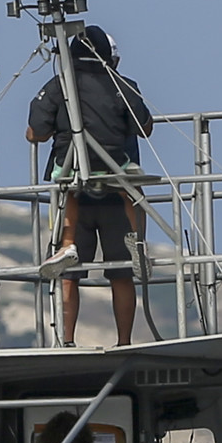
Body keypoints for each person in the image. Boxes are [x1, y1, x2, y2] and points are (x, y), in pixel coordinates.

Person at [27, 25, 153, 346]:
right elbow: (145, 127)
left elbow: (36, 132)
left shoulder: (58, 87)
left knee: (68, 275)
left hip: (74, 190)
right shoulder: (122, 85)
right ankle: (136, 242)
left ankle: (66, 340)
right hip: (115, 180)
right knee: (123, 274)